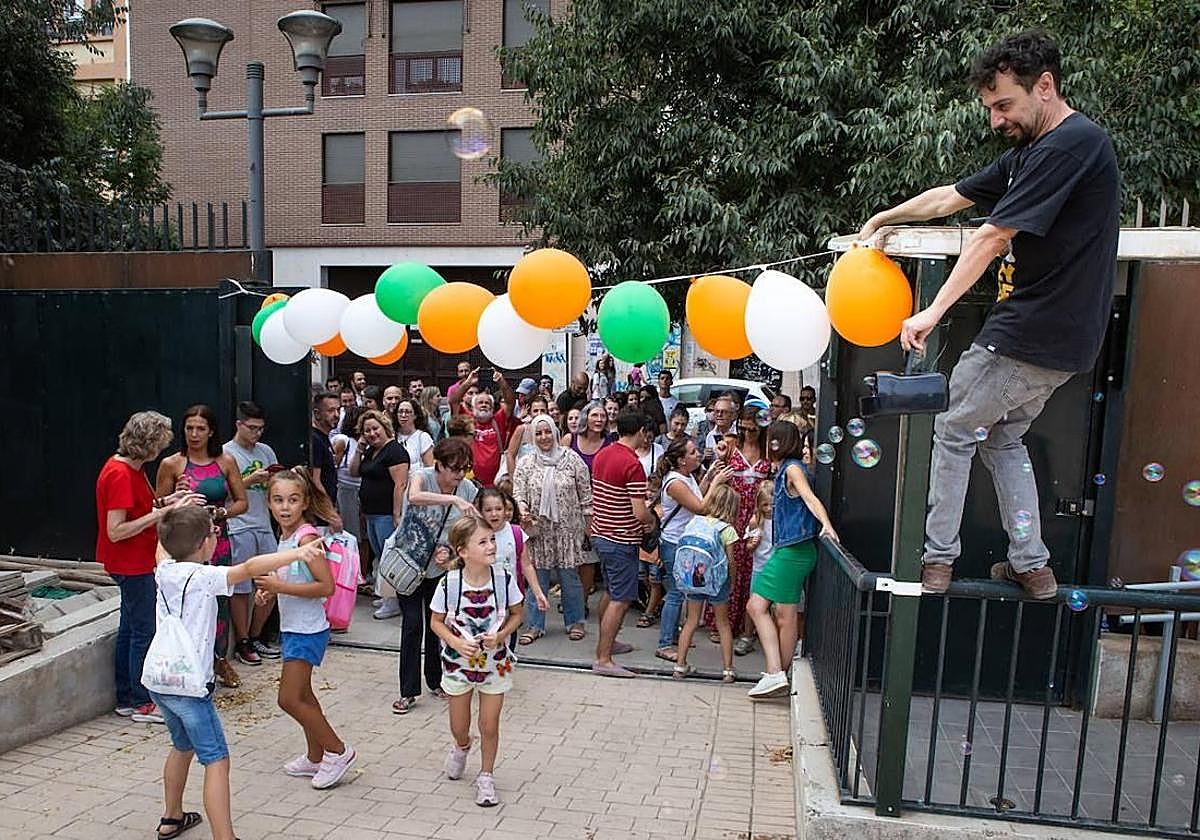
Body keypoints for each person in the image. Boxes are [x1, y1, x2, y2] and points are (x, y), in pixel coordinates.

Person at [858, 31, 1118, 599]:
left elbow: (992, 235)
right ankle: (1033, 566)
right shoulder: (1031, 151)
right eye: (990, 108)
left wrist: (932, 311)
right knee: (1002, 437)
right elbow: (950, 197)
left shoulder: (1070, 146)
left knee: (951, 429)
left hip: (1030, 332)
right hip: (1064, 344)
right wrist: (883, 216)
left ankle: (936, 561)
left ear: (1044, 86)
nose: (997, 119)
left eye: (1004, 104)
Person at [149, 505, 325, 840]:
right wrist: (298, 553)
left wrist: (172, 510)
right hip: (190, 687)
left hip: (161, 683)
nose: (217, 537)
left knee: (182, 746)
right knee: (216, 760)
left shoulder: (165, 570)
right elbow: (249, 567)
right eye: (213, 533)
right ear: (204, 543)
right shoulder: (204, 577)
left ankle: (171, 818)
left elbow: (162, 545)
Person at [97, 411, 202, 725]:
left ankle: (128, 698)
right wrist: (164, 512)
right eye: (159, 444)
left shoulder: (128, 468)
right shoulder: (120, 474)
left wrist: (170, 500)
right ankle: (142, 701)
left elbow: (140, 508)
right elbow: (117, 529)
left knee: (131, 628)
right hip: (131, 562)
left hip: (133, 561)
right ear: (148, 444)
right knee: (143, 630)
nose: (161, 451)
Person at [253, 468, 355, 788]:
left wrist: (279, 587)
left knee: (289, 699)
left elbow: (326, 587)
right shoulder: (285, 538)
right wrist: (269, 590)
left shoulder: (307, 537)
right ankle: (315, 757)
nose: (285, 507)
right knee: (304, 695)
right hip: (294, 627)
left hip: (308, 629)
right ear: (268, 503)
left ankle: (337, 751)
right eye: (279, 500)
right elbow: (293, 578)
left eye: (293, 500)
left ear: (304, 503)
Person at [430, 514, 525, 807]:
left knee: (489, 724)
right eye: (482, 542)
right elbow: (435, 621)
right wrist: (456, 642)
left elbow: (518, 614)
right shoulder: (450, 583)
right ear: (462, 551)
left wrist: (501, 635)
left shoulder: (504, 579)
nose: (491, 546)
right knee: (460, 725)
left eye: (492, 539)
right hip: (458, 665)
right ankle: (462, 746)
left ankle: (486, 776)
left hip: (496, 664)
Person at [156, 404, 249, 690]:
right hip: (183, 544)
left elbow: (242, 502)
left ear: (211, 432)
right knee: (187, 604)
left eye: (200, 429)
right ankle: (187, 662)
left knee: (218, 602)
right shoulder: (172, 464)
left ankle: (218, 659)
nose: (194, 434)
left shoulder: (226, 461)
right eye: (189, 428)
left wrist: (220, 513)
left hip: (216, 540)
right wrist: (175, 497)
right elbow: (157, 505)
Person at [747, 421, 837, 699]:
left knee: (756, 606)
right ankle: (778, 675)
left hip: (793, 552)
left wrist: (826, 524)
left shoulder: (793, 468)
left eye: (770, 439)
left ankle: (775, 672)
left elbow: (809, 498)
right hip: (795, 551)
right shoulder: (791, 467)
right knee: (785, 617)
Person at [393, 437, 479, 715]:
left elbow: (469, 532)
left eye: (463, 469)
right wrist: (452, 497)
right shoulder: (423, 477)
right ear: (439, 465)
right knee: (413, 624)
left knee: (437, 624)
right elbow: (414, 497)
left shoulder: (468, 488)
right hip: (409, 561)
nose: (458, 475)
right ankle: (407, 691)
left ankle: (435, 680)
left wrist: (451, 555)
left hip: (439, 568)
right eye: (453, 468)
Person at [512, 415, 593, 644]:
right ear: (532, 437)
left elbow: (586, 495)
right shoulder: (526, 462)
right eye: (538, 433)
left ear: (556, 433)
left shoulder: (572, 459)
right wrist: (523, 509)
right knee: (537, 579)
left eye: (548, 432)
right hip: (538, 532)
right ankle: (535, 625)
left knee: (570, 578)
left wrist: (588, 527)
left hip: (568, 530)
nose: (544, 437)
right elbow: (518, 493)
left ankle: (575, 621)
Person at [650, 438, 732, 662]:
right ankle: (665, 643)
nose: (699, 454)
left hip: (686, 543)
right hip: (675, 544)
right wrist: (717, 482)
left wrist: (709, 477)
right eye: (693, 452)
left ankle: (676, 636)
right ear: (681, 460)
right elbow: (701, 507)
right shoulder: (675, 482)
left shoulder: (686, 477)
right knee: (676, 592)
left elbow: (698, 495)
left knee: (683, 591)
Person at [590, 411, 657, 678]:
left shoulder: (603, 453)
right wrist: (651, 520)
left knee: (610, 591)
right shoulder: (633, 464)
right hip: (621, 539)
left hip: (601, 534)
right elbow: (639, 512)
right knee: (621, 599)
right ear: (640, 431)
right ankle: (603, 658)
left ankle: (608, 643)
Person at [222, 401, 282, 667]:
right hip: (239, 524)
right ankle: (243, 639)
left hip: (264, 521)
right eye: (252, 428)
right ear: (239, 425)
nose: (257, 433)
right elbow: (220, 491)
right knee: (241, 586)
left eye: (261, 429)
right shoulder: (226, 453)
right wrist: (248, 481)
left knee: (271, 581)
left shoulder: (266, 450)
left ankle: (257, 634)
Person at [672, 484, 741, 683]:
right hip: (718, 582)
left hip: (693, 579)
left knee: (691, 621)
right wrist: (733, 582)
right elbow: (731, 561)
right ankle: (728, 669)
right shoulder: (727, 530)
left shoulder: (695, 522)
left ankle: (680, 665)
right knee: (723, 624)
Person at [716, 405, 771, 651]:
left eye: (753, 429)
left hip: (757, 518)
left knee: (752, 572)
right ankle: (724, 622)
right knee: (731, 568)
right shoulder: (731, 448)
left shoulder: (768, 450)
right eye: (744, 429)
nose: (748, 433)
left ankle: (748, 628)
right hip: (734, 516)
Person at [349, 410, 410, 620]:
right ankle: (386, 596)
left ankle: (393, 601)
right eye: (367, 431)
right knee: (379, 555)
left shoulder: (394, 452)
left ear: (385, 428)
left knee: (388, 556)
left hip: (386, 513)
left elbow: (400, 484)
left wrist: (396, 514)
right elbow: (353, 472)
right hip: (371, 513)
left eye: (375, 429)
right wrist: (358, 450)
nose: (372, 433)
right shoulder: (370, 451)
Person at [565, 400, 612, 602]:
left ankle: (581, 601)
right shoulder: (570, 439)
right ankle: (570, 601)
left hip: (596, 507)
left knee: (588, 558)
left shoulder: (610, 443)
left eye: (602, 416)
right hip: (568, 505)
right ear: (586, 417)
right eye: (595, 415)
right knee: (568, 558)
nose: (599, 420)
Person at [449, 369, 517, 488]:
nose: (484, 405)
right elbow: (454, 401)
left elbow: (510, 402)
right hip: (468, 482)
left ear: (492, 407)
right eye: (480, 403)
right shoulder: (466, 419)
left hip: (495, 482)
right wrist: (468, 383)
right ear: (473, 406)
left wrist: (502, 382)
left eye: (487, 403)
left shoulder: (498, 420)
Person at [475, 488, 538, 601]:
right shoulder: (473, 534)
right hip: (481, 597)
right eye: (488, 510)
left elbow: (527, 565)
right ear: (480, 511)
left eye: (499, 509)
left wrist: (538, 593)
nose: (494, 514)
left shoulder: (516, 533)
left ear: (505, 509)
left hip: (510, 596)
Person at [503, 394, 551, 480]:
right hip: (525, 479)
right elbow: (510, 455)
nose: (539, 414)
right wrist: (514, 480)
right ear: (530, 412)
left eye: (542, 410)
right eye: (535, 411)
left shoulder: (553, 431)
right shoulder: (521, 429)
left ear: (547, 412)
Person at [309, 391, 341, 511]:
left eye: (338, 410)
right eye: (331, 410)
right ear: (317, 414)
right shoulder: (315, 440)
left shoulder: (324, 438)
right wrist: (329, 511)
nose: (336, 415)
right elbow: (315, 480)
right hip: (320, 512)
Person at [394, 398, 435, 467]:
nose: (403, 415)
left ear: (415, 415)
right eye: (400, 412)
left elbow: (429, 467)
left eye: (407, 412)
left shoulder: (423, 437)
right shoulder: (391, 436)